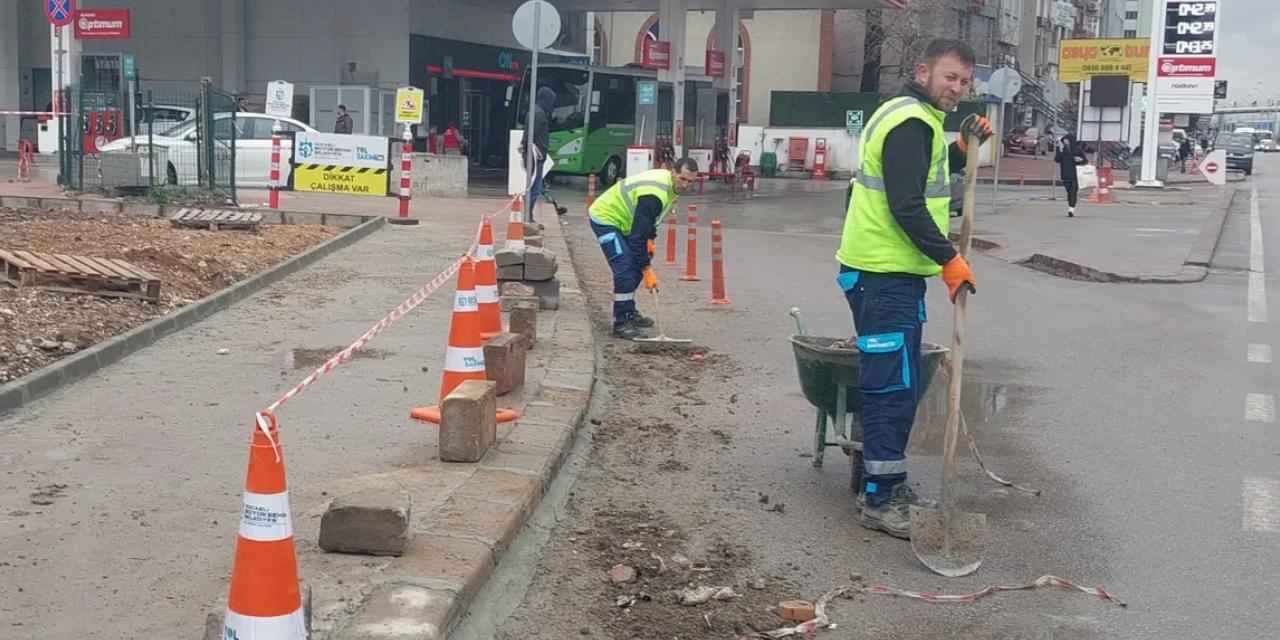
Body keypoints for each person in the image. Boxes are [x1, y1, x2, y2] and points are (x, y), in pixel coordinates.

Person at [835, 38, 989, 540]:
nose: (957, 89)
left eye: (965, 82)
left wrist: (961, 150)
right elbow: (906, 204)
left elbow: (924, 178)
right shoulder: (911, 122)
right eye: (949, 77)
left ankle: (884, 484)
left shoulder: (910, 117)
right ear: (923, 71)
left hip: (886, 274)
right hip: (884, 276)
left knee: (892, 383)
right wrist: (949, 259)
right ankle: (881, 499)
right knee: (891, 389)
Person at [589, 158, 700, 340]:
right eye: (682, 179)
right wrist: (647, 269)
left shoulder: (669, 186)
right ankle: (622, 322)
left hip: (626, 223)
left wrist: (650, 239)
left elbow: (649, 221)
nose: (686, 185)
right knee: (625, 268)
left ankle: (629, 309)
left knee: (638, 262)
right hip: (606, 218)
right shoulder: (654, 193)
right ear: (673, 172)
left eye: (690, 182)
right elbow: (637, 237)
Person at [521, 87, 555, 222]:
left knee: (535, 186)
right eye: (551, 101)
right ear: (545, 99)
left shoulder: (535, 111)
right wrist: (526, 148)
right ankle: (528, 216)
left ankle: (529, 215)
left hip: (534, 155)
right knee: (534, 187)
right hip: (536, 156)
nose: (552, 104)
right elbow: (531, 134)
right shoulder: (539, 113)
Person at [1054, 134, 1088, 217]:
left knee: (1073, 191)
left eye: (1066, 140)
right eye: (1064, 141)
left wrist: (1079, 160)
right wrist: (1058, 148)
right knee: (1069, 192)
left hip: (1076, 175)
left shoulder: (1077, 150)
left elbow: (1085, 161)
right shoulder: (1062, 150)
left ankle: (1071, 209)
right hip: (1065, 174)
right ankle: (1071, 206)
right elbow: (1057, 159)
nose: (1065, 142)